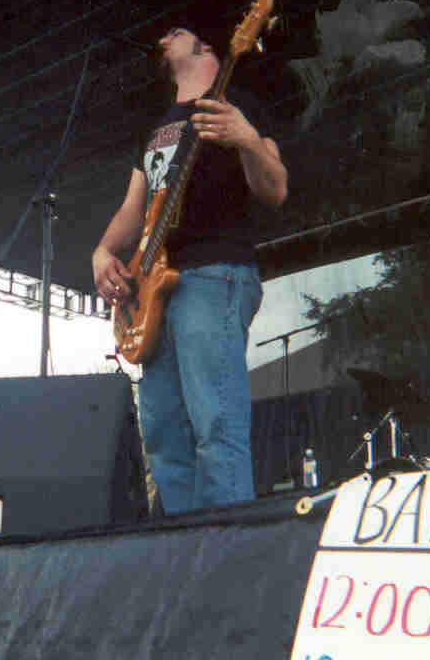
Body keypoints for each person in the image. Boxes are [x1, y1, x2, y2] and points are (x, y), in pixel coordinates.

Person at [92, 26, 288, 514]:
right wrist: (103, 251)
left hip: (213, 272)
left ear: (207, 47)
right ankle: (182, 538)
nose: (162, 38)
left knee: (215, 423)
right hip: (153, 288)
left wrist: (247, 139)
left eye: (175, 32)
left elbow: (276, 189)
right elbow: (133, 209)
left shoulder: (237, 105)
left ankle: (227, 541)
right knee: (162, 433)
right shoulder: (155, 127)